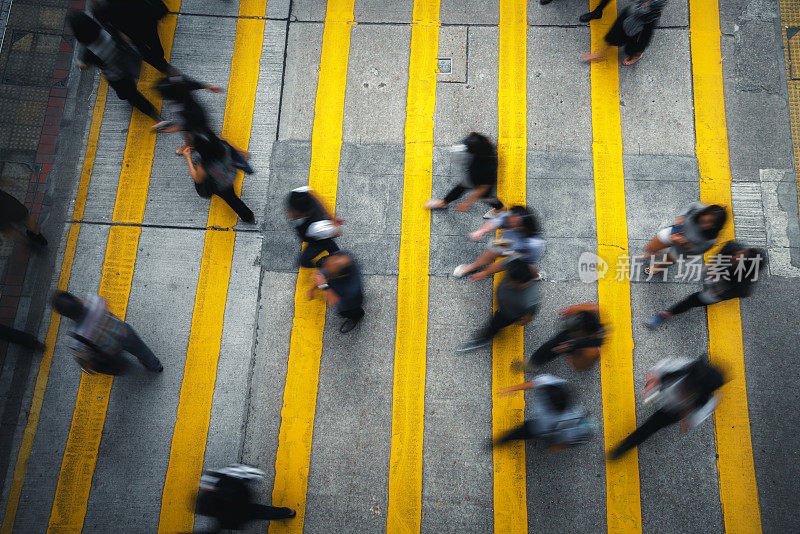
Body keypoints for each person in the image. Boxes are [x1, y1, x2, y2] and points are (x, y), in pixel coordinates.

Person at [609, 357, 724, 459]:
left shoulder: (705, 404)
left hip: (675, 410)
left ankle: (624, 447)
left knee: (650, 427)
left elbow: (690, 422)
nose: (683, 392)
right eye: (685, 386)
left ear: (699, 393)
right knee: (650, 395)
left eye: (689, 391)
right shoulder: (679, 367)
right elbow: (655, 372)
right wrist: (652, 382)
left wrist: (687, 413)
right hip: (662, 387)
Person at [69, 10, 163, 122]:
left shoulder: (88, 53)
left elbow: (87, 66)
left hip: (116, 77)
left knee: (131, 96)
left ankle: (155, 115)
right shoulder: (106, 30)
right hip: (125, 64)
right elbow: (123, 38)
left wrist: (79, 64)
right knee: (130, 86)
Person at [645, 242, 766, 328]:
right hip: (712, 274)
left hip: (718, 289)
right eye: (742, 253)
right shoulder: (732, 247)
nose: (737, 256)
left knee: (692, 300)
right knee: (703, 282)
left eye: (742, 258)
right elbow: (718, 256)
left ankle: (666, 314)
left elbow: (734, 293)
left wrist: (718, 291)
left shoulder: (743, 286)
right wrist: (712, 269)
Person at [52, 291, 163, 374]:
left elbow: (85, 358)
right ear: (78, 300)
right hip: (124, 333)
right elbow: (105, 303)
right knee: (142, 350)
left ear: (66, 316)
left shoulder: (75, 340)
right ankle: (156, 366)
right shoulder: (93, 301)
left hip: (109, 351)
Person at [494, 374, 596, 450]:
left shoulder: (571, 418)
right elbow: (531, 384)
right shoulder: (550, 382)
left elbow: (571, 440)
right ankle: (504, 440)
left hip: (541, 427)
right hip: (546, 427)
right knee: (522, 432)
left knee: (522, 432)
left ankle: (503, 440)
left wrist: (554, 448)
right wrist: (510, 389)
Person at [457, 259, 539, 352]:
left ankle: (483, 339)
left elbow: (530, 316)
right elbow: (501, 265)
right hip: (504, 304)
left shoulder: (529, 300)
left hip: (508, 314)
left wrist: (523, 322)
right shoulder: (516, 264)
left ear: (522, 283)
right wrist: (485, 273)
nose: (507, 282)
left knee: (495, 325)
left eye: (510, 281)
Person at [453, 205, 545, 281]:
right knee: (493, 251)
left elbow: (506, 262)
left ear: (524, 226)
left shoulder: (532, 244)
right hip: (509, 243)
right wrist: (481, 231)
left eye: (515, 225)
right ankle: (471, 267)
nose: (509, 225)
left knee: (527, 267)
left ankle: (534, 276)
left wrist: (485, 273)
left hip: (525, 253)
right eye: (510, 222)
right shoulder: (513, 217)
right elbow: (496, 222)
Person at [425, 132, 504, 219]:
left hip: (480, 181)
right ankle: (443, 203)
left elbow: (484, 188)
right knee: (460, 188)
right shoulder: (480, 141)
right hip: (472, 177)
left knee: (487, 197)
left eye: (468, 149)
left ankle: (500, 209)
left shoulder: (487, 167)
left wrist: (467, 203)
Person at [180, 132, 255, 224]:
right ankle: (248, 217)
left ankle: (248, 217)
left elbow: (197, 178)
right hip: (229, 173)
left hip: (220, 184)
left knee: (231, 199)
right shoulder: (222, 145)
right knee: (231, 195)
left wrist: (188, 157)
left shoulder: (205, 162)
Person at [195, 464, 295, 532]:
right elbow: (228, 474)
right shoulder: (221, 486)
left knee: (262, 512)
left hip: (242, 512)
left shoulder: (222, 518)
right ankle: (288, 512)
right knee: (262, 511)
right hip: (242, 497)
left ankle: (288, 512)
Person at [90, 0, 174, 75]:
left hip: (139, 21)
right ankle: (165, 67)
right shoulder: (99, 5)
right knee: (150, 50)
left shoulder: (99, 5)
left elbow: (103, 20)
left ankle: (165, 67)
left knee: (152, 50)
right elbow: (103, 20)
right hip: (139, 22)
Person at [640, 203, 726, 275]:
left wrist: (684, 242)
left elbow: (698, 251)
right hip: (675, 232)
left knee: (669, 260)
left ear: (716, 226)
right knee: (650, 248)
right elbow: (692, 205)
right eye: (703, 220)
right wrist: (682, 216)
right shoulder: (699, 209)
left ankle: (658, 267)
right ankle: (658, 254)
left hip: (683, 250)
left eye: (710, 223)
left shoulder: (710, 240)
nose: (704, 225)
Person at [581, 0, 667, 66]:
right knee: (614, 32)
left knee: (637, 45)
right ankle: (600, 54)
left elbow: (651, 8)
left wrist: (642, 5)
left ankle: (637, 55)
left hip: (646, 19)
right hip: (634, 11)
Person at [525, 303, 605, 371]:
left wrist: (570, 355)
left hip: (576, 348)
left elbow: (578, 367)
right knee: (555, 344)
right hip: (576, 342)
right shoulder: (591, 313)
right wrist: (573, 309)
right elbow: (593, 307)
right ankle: (535, 361)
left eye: (575, 329)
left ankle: (534, 363)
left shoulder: (591, 352)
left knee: (553, 347)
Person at [307, 251, 365, 333]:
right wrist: (313, 288)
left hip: (350, 304)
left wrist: (323, 285)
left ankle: (356, 318)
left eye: (328, 268)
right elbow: (324, 273)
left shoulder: (351, 290)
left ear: (338, 275)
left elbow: (332, 301)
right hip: (337, 286)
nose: (325, 268)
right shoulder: (341, 258)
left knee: (350, 312)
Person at [286, 186, 343, 268]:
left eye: (295, 213)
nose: (289, 214)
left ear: (306, 213)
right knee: (333, 249)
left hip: (317, 242)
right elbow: (318, 201)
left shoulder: (317, 227)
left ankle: (324, 264)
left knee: (304, 262)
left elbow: (337, 232)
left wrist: (332, 224)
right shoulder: (299, 193)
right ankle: (337, 256)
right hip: (318, 234)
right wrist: (331, 218)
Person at [154, 74, 224, 138]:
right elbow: (192, 84)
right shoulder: (180, 84)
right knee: (203, 130)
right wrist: (209, 87)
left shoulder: (177, 106)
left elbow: (189, 124)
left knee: (200, 131)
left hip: (197, 118)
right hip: (199, 112)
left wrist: (171, 129)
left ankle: (210, 139)